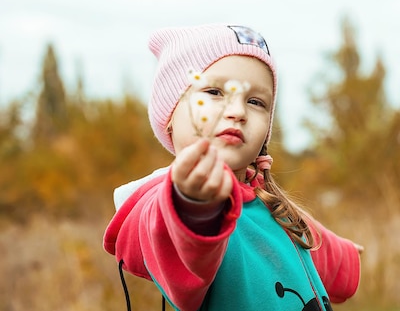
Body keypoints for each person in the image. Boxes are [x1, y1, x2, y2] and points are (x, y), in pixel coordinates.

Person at [103, 24, 362, 311]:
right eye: (214, 92)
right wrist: (194, 205)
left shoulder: (268, 201)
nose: (237, 111)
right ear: (170, 117)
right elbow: (179, 241)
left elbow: (314, 241)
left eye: (255, 101)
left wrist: (348, 258)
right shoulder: (165, 204)